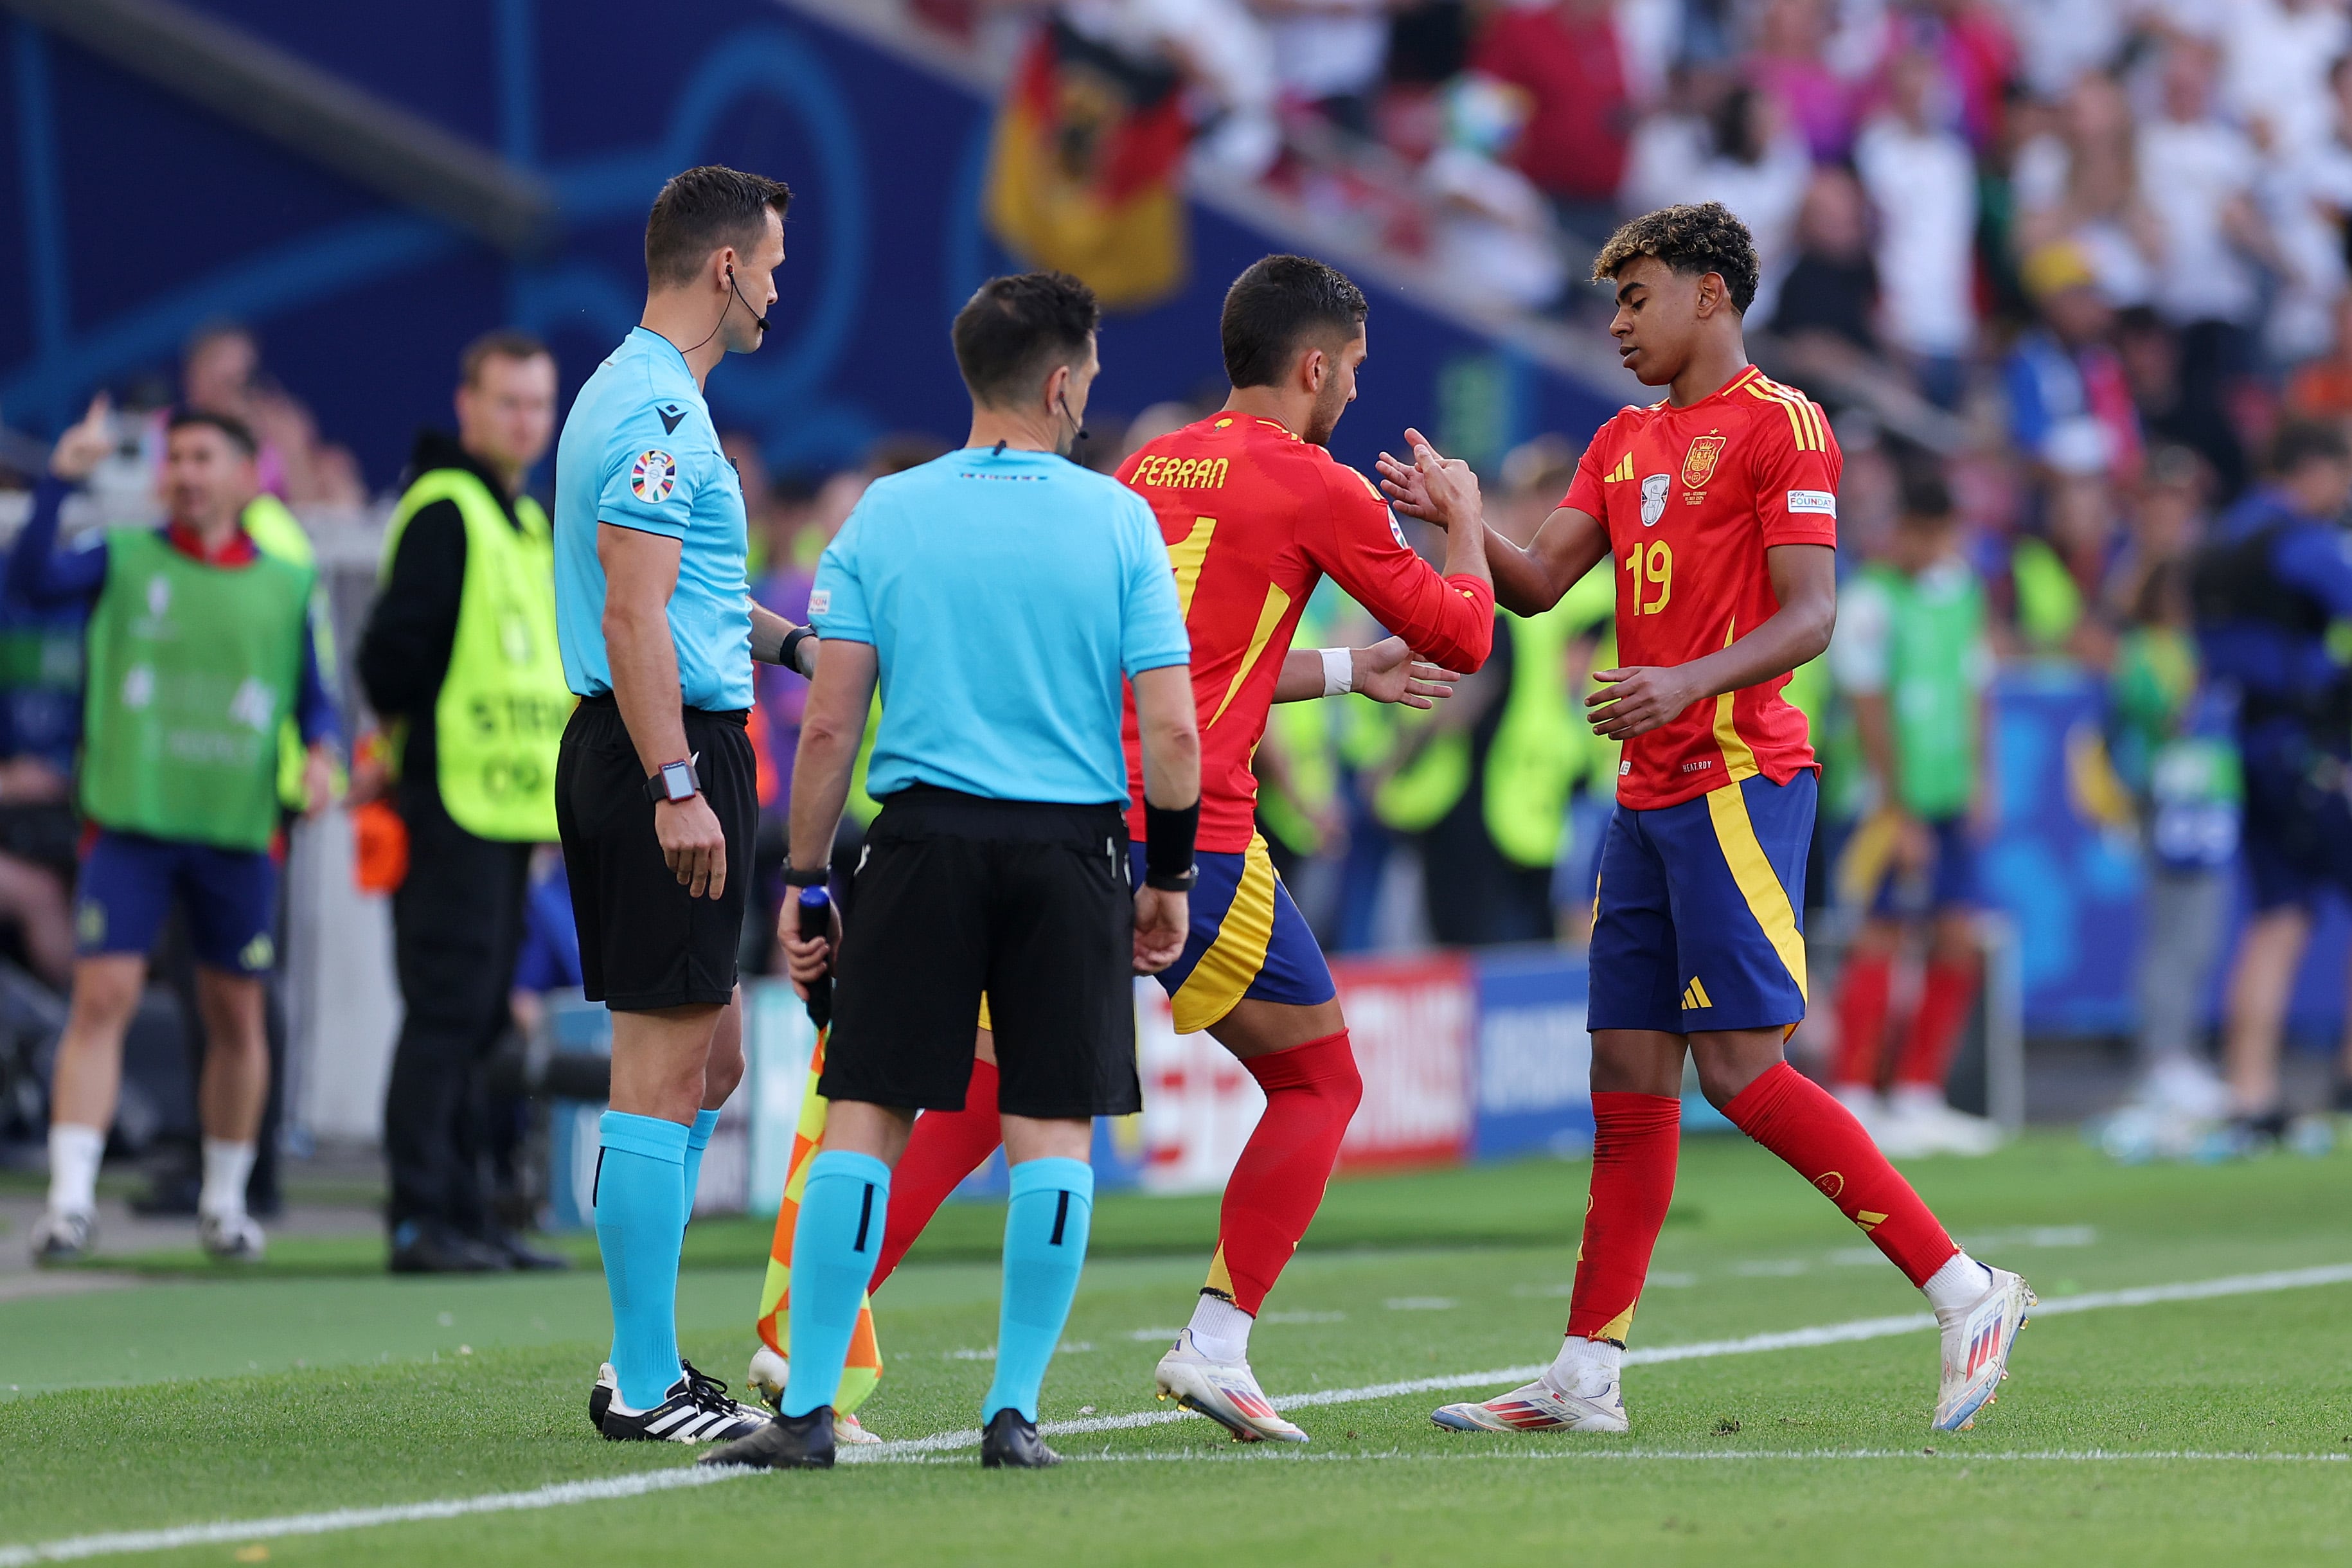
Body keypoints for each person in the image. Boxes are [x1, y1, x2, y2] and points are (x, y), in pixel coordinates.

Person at [772, 254, 1495, 1447]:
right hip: (1186, 830)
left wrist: (1334, 669)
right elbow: (1465, 634)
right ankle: (1212, 1344)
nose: (1357, 393)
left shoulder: (1146, 468)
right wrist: (1465, 520)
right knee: (1322, 1080)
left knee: (969, 1092)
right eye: (1354, 371)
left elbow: (1193, 656)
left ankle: (804, 1336)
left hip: (1047, 809)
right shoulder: (1315, 483)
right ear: (1314, 366)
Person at [1402, 202, 2032, 1438]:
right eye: (1614, 304)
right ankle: (1586, 1376)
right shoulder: (1623, 437)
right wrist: (1464, 521)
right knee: (1626, 1077)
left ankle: (1969, 1289)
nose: (1622, 322)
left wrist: (1683, 682)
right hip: (1646, 795)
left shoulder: (1783, 424)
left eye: (1638, 296)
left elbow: (1814, 616)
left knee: (1741, 1073)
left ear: (1711, 292)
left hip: (1739, 780)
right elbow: (1536, 590)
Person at [702, 270, 1202, 1472]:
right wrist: (1169, 875)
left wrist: (810, 878)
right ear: (1063, 380)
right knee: (1052, 1131)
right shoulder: (1119, 519)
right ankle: (1013, 1414)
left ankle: (809, 1407)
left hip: (921, 840)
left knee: (866, 1119)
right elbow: (1174, 733)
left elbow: (829, 723)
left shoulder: (885, 513)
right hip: (1069, 848)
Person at [553, 165, 813, 1445]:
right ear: (723, 267)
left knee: (710, 1054)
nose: (777, 284)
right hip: (659, 752)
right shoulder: (659, 409)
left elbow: (689, 595)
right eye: (768, 262)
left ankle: (643, 1354)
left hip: (681, 737)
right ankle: (641, 1378)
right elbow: (632, 610)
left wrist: (801, 649)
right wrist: (674, 786)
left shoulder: (658, 400)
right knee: (660, 1074)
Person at [22, 401, 339, 1265]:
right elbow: (30, 579)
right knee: (102, 1001)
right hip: (131, 824)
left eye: (204, 458)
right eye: (175, 459)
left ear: (246, 476)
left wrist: (321, 757)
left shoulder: (285, 582)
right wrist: (61, 478)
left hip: (236, 833)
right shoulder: (121, 558)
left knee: (238, 1015)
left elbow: (317, 702)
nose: (186, 474)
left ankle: (227, 1204)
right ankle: (70, 1203)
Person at [357, 330, 573, 1274]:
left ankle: (470, 1210)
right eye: (508, 402)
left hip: (505, 816)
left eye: (538, 404)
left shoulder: (524, 519)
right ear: (468, 405)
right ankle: (421, 1215)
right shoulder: (447, 509)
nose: (526, 420)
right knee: (448, 1012)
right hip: (448, 804)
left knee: (484, 1017)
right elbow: (389, 661)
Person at [1825, 468, 2002, 1159]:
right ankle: (1856, 1094)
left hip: (1951, 794)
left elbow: (1976, 686)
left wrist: (1984, 779)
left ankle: (1920, 1092)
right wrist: (1899, 811)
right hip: (1882, 805)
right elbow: (1868, 709)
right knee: (1882, 934)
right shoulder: (1869, 601)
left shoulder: (1963, 594)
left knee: (1958, 936)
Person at [2192, 418, 2352, 1145]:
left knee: (2275, 917)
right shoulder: (2302, 542)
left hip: (2241, 744)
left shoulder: (2221, 538)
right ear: (2312, 470)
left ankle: (2250, 1089)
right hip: (2304, 746)